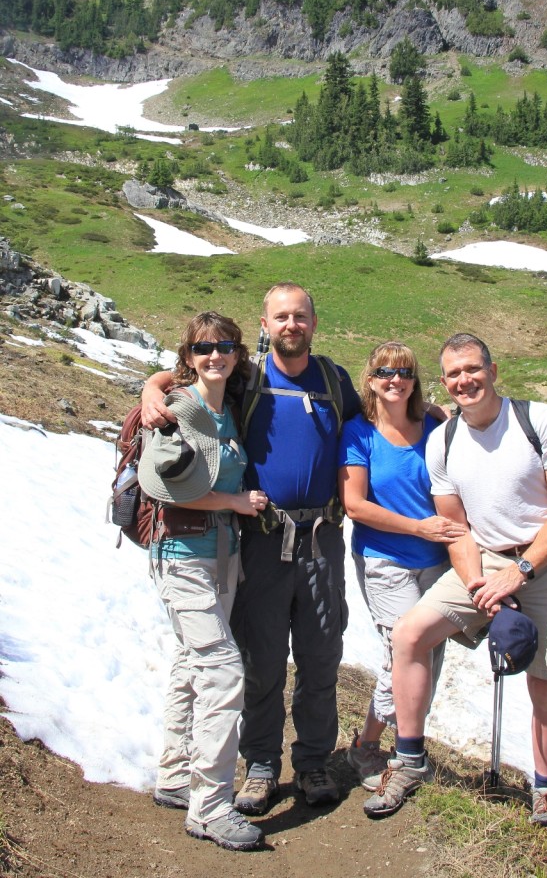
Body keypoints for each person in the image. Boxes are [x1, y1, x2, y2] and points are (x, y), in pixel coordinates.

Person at [141, 283, 361, 815]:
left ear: (314, 321)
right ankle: (261, 763)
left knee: (320, 655)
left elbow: (378, 422)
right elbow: (193, 373)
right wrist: (152, 387)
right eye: (281, 316)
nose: (292, 324)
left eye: (300, 316)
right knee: (261, 658)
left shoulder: (335, 380)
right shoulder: (248, 376)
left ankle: (311, 762)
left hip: (322, 539)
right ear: (265, 325)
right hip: (261, 540)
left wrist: (438, 420)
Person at [364, 333, 547, 828]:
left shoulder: (538, 420)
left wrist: (521, 572)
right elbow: (456, 527)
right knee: (409, 635)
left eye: (472, 369)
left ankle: (545, 791)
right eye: (453, 374)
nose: (465, 381)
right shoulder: (443, 441)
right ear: (443, 383)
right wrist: (482, 589)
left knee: (544, 684)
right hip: (483, 560)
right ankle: (409, 760)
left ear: (493, 369)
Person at [140, 311, 268, 851]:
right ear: (187, 356)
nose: (214, 356)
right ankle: (210, 808)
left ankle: (173, 777)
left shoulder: (229, 405)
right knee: (220, 669)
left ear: (237, 353)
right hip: (183, 554)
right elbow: (162, 486)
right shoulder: (182, 409)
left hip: (223, 555)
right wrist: (235, 501)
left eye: (224, 347)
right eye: (202, 348)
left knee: (192, 663)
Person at [338, 342, 464, 792]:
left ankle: (391, 746)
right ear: (370, 380)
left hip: (438, 564)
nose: (395, 379)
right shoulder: (358, 432)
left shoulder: (436, 424)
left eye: (404, 371)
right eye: (385, 372)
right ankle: (378, 748)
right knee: (404, 657)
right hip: (386, 561)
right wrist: (418, 528)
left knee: (425, 660)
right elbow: (355, 505)